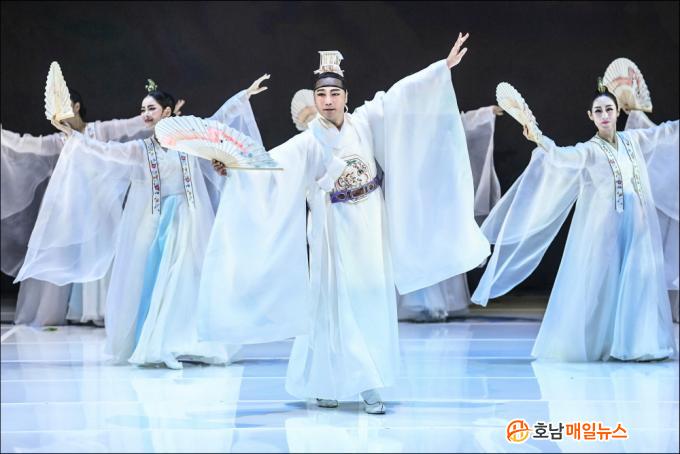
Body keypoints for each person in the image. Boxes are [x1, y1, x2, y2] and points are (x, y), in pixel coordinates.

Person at [201, 33, 490, 413]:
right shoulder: (307, 142)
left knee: (370, 302)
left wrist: (440, 70)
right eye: (321, 94)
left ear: (346, 97)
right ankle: (341, 382)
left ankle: (364, 379)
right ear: (315, 99)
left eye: (334, 93)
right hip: (331, 231)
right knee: (333, 305)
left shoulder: (365, 123)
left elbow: (401, 96)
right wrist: (235, 166)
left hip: (369, 225)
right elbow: (269, 166)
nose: (328, 100)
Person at [16, 75, 268, 369]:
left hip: (190, 219)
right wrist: (74, 137)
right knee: (160, 280)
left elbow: (218, 122)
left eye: (151, 109)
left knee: (188, 278)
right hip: (157, 222)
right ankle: (162, 343)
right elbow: (105, 151)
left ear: (168, 112)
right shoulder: (141, 149)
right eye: (143, 109)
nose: (146, 114)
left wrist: (242, 98)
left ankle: (193, 341)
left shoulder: (190, 141)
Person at [472, 80, 678, 361]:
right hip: (609, 230)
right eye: (598, 111)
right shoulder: (590, 150)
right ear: (590, 116)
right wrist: (538, 139)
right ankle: (606, 342)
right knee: (606, 286)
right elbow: (560, 156)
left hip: (640, 227)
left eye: (609, 109)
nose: (604, 115)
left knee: (640, 280)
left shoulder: (634, 140)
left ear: (618, 112)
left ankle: (640, 344)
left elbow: (666, 132)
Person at [2, 89, 152, 326]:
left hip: (100, 203)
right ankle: (51, 310)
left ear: (76, 106)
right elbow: (24, 144)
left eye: (62, 106)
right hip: (66, 206)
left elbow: (129, 126)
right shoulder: (58, 141)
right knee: (58, 252)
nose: (58, 113)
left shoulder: (99, 131)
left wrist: (161, 114)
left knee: (102, 249)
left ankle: (100, 309)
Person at [397, 105, 503, 322]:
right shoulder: (405, 116)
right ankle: (422, 302)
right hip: (414, 193)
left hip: (438, 192)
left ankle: (442, 302)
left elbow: (463, 123)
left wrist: (486, 113)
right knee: (419, 245)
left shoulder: (440, 115)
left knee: (440, 245)